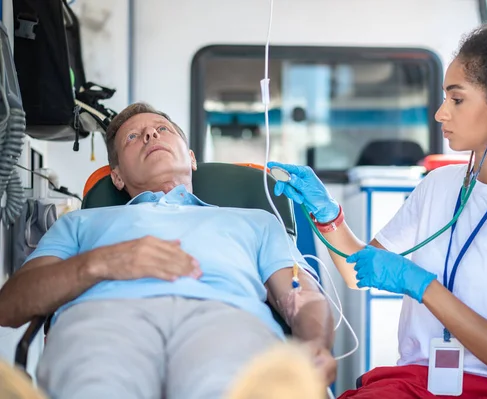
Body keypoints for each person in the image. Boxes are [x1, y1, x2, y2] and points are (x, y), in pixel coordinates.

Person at [269, 23, 487, 399]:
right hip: (422, 383)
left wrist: (423, 286)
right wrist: (327, 215)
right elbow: (355, 271)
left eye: (456, 99)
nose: (440, 114)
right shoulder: (440, 185)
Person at [0, 103, 336, 399]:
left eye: (162, 129)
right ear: (116, 176)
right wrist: (100, 263)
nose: (150, 136)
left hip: (226, 319)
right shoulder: (81, 223)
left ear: (190, 158)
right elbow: (10, 306)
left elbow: (303, 298)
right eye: (133, 137)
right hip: (106, 318)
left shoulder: (258, 222)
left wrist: (313, 345)